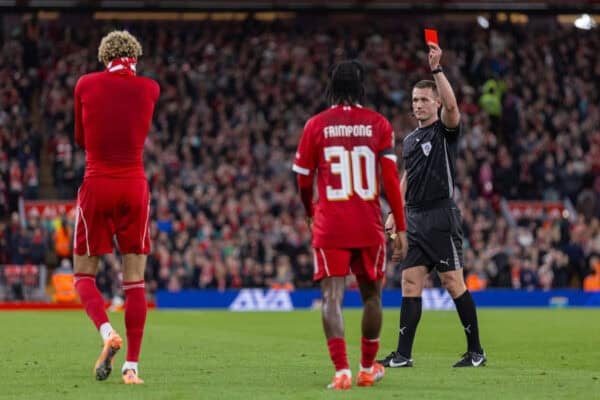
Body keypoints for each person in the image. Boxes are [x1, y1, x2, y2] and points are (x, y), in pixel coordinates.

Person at [293, 60, 408, 390]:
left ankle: (341, 371)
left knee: (332, 297)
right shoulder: (378, 124)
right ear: (361, 88)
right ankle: (367, 369)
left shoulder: (316, 125)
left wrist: (308, 209)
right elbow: (389, 179)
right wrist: (401, 228)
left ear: (331, 87)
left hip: (330, 224)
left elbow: (302, 179)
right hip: (368, 224)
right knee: (372, 297)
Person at [378, 42, 486, 368]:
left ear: (436, 103)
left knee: (453, 283)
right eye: (414, 100)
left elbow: (453, 107)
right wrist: (395, 214)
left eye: (424, 99)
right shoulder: (410, 139)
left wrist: (437, 70)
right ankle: (403, 355)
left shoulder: (444, 131)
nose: (418, 105)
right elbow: (407, 175)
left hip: (441, 215)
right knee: (411, 283)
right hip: (414, 218)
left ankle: (476, 352)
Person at [72, 30, 160, 385]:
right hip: (134, 185)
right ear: (135, 56)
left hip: (97, 182)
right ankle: (132, 368)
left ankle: (107, 330)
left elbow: (80, 138)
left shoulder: (85, 84)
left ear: (103, 56)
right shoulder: (150, 89)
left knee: (83, 275)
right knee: (135, 281)